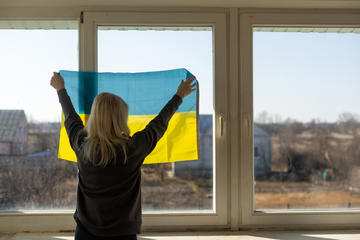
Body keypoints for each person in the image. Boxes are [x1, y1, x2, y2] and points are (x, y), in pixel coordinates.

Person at [50, 72, 196, 240]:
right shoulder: (132, 150)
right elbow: (159, 123)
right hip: (123, 235)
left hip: (85, 234)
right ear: (120, 120)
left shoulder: (82, 146)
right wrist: (179, 96)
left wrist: (60, 89)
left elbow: (71, 118)